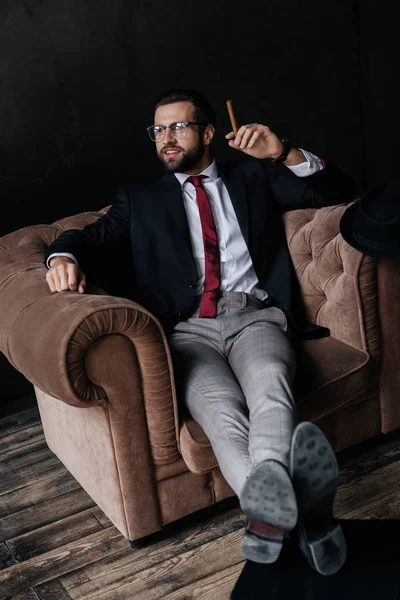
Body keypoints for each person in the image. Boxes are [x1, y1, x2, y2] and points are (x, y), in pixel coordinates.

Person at [44, 89, 355, 575]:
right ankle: (305, 517)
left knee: (270, 384)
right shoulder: (140, 199)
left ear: (208, 133)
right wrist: (62, 256)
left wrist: (284, 152)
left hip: (256, 316)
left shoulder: (252, 176)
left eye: (178, 127)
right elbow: (87, 238)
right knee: (222, 414)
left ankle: (271, 521)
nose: (165, 139)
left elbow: (333, 190)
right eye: (157, 130)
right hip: (188, 333)